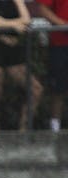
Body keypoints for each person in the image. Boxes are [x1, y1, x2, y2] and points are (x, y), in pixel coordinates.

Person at [0, 0, 43, 131]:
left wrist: (1, 22)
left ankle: (23, 130)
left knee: (35, 89)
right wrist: (14, 24)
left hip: (14, 49)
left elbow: (26, 20)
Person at [36, 0, 68, 132]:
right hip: (60, 44)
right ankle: (55, 129)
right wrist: (63, 25)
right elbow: (42, 9)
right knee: (58, 89)